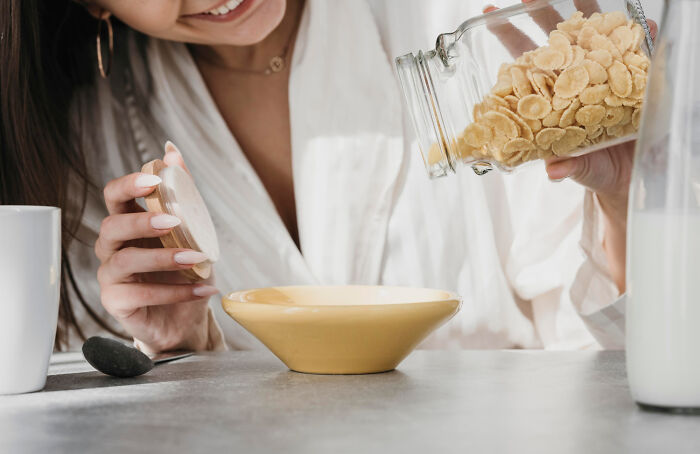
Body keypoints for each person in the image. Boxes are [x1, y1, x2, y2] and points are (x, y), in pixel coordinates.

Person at [0, 0, 653, 353]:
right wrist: (180, 352)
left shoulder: (467, 30)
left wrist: (628, 199)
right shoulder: (84, 155)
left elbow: (610, 366)